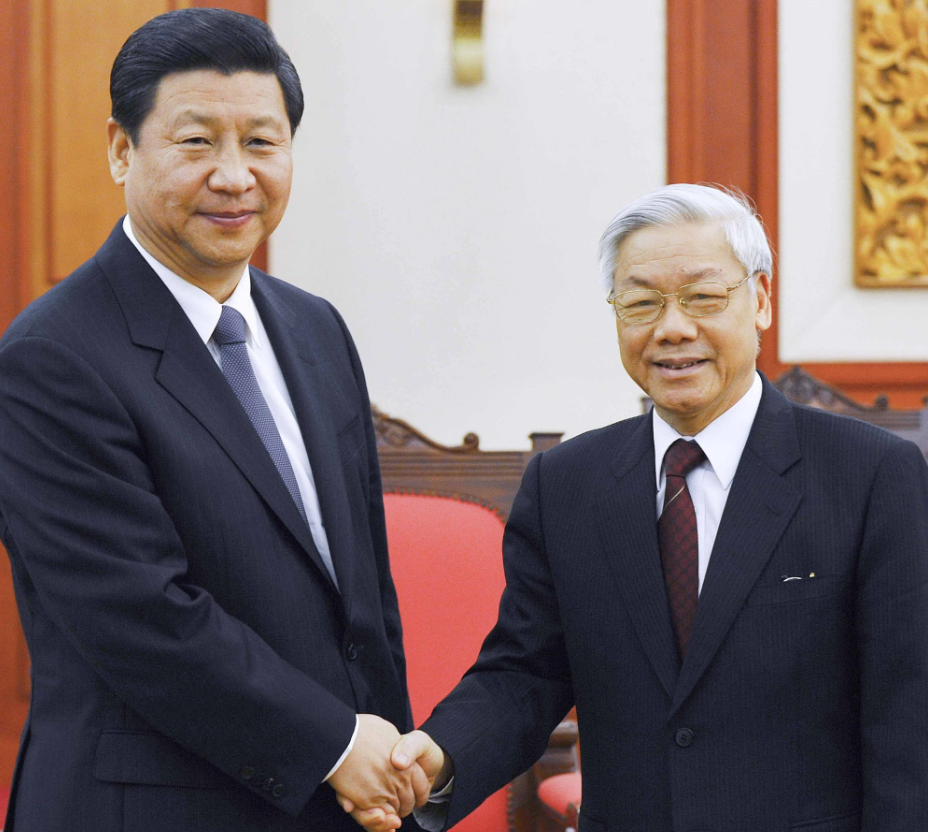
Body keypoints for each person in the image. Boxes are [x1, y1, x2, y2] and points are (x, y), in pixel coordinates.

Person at [350, 184, 928, 832]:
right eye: (641, 302)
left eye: (703, 298)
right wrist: (439, 756)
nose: (672, 327)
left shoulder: (870, 475)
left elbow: (907, 716)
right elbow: (526, 674)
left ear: (760, 300)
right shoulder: (568, 484)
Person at [0, 9, 429, 831]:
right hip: (152, 807)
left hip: (335, 803)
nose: (235, 176)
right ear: (123, 150)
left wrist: (388, 771)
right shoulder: (51, 357)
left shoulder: (315, 329)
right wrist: (340, 746)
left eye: (262, 143)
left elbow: (362, 592)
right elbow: (144, 620)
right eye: (196, 143)